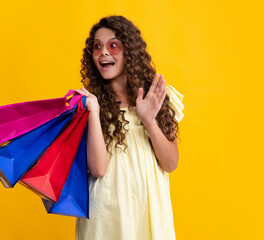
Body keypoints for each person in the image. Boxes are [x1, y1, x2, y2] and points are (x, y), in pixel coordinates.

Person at [75, 15, 184, 240]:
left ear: (129, 52)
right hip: (106, 215)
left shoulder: (156, 98)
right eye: (97, 47)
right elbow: (98, 169)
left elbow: (170, 163)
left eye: (113, 45)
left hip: (150, 211)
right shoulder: (88, 106)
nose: (103, 52)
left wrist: (148, 120)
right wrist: (93, 112)